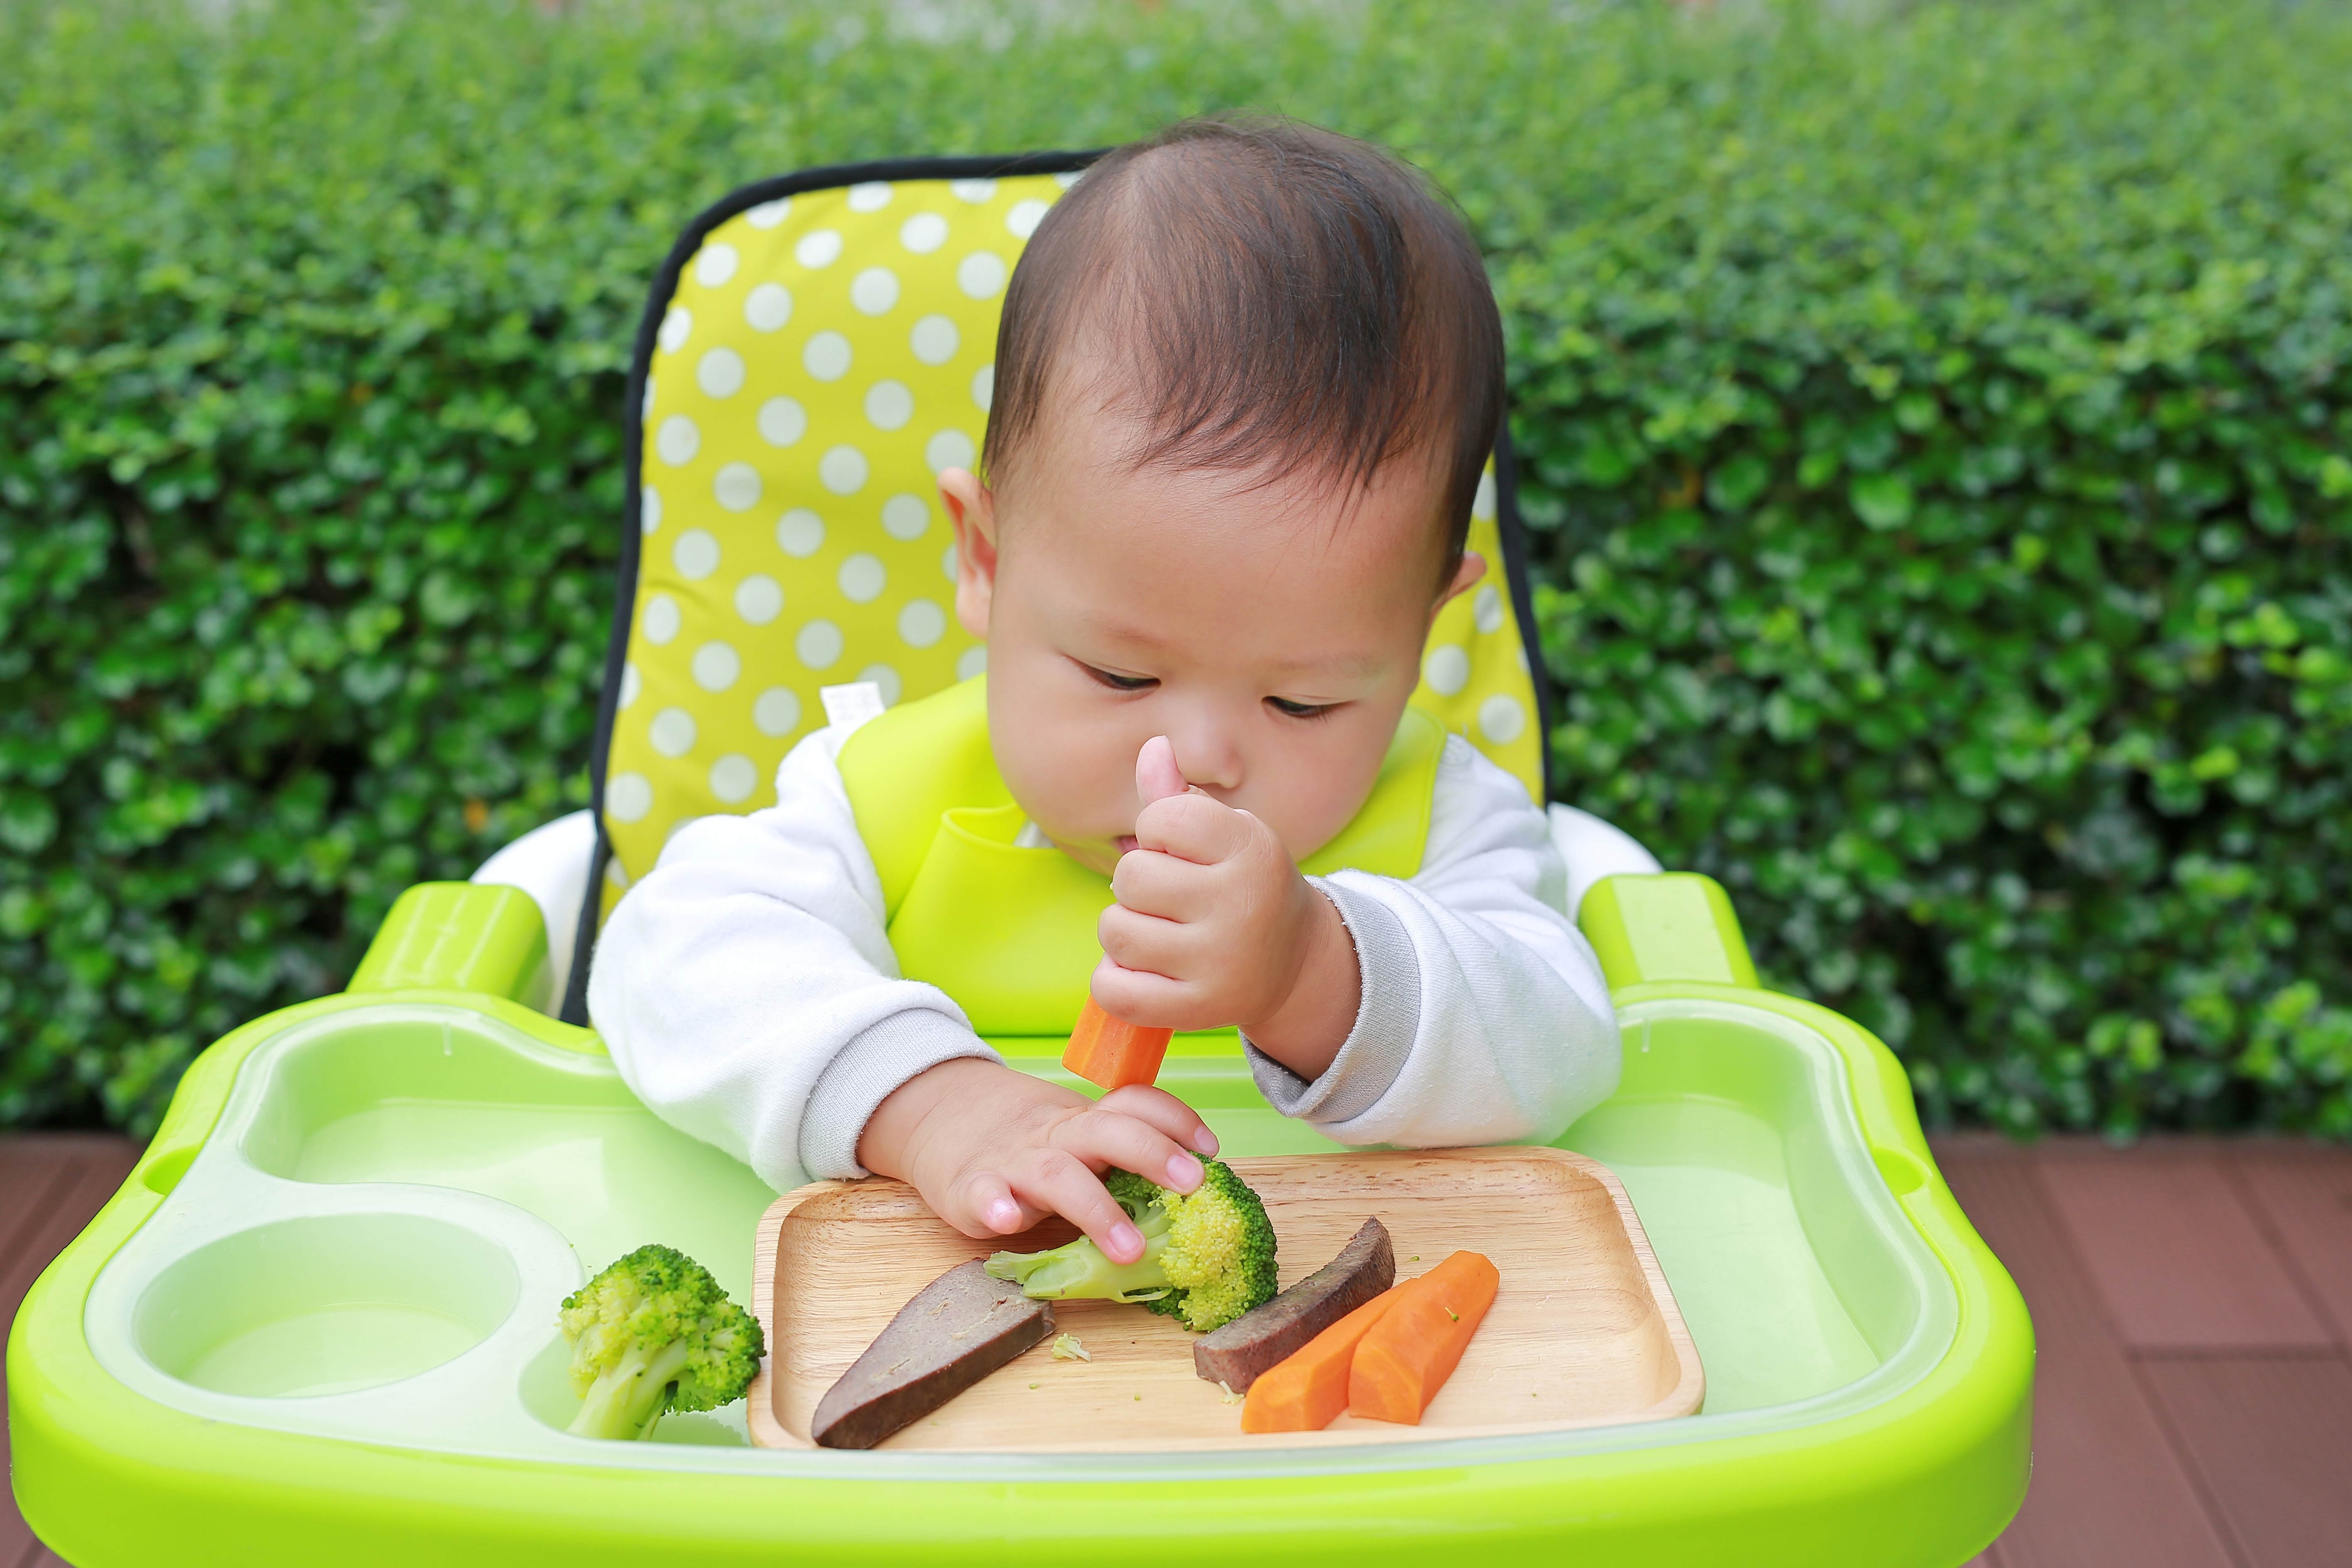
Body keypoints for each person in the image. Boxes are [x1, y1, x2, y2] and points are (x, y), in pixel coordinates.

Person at [589, 116, 1620, 1274]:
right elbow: (665, 961)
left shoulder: (1440, 821)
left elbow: (1565, 1048)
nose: (1199, 756)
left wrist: (1313, 970)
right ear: (983, 560)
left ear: (1425, 625)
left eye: (1307, 701)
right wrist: (933, 1105)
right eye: (1123, 674)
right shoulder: (878, 799)